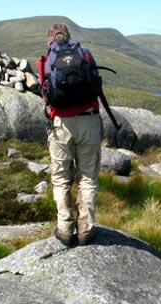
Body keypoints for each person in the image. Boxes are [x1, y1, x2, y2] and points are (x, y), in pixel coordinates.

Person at [38, 24, 102, 246]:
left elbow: (45, 94)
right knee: (87, 177)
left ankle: (65, 229)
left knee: (61, 178)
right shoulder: (84, 54)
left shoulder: (46, 60)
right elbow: (96, 84)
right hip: (89, 121)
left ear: (50, 40)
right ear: (69, 37)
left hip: (61, 125)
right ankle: (86, 229)